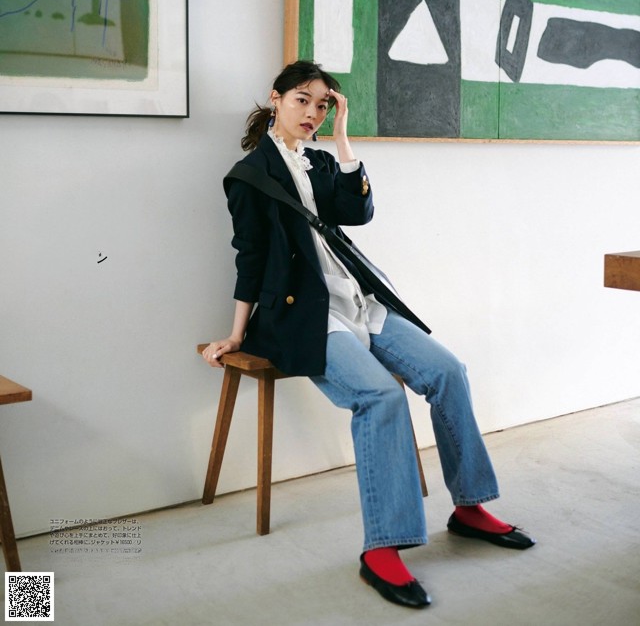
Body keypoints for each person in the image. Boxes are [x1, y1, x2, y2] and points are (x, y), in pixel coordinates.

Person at [203, 60, 535, 608]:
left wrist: (343, 139)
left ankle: (469, 507)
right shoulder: (249, 175)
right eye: (302, 101)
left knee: (448, 371)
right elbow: (251, 259)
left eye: (322, 105)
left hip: (360, 301)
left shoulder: (318, 160)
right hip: (305, 314)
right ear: (276, 99)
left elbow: (359, 212)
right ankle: (382, 548)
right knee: (380, 396)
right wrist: (237, 334)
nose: (312, 113)